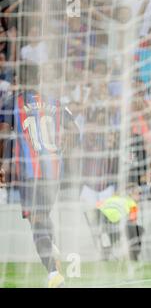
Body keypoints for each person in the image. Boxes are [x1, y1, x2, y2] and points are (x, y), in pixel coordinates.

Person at [0, 64, 78, 287]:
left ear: (18, 80)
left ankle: (53, 274)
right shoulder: (55, 102)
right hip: (54, 173)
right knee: (43, 216)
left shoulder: (11, 103)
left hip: (29, 173)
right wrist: (63, 151)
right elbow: (75, 132)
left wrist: (2, 165)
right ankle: (52, 250)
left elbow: (3, 134)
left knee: (37, 221)